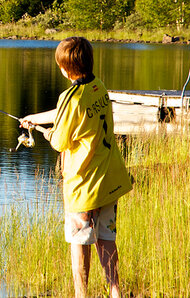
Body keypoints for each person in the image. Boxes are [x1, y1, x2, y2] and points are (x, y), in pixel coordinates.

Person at [21, 36, 132, 298]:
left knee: (79, 244)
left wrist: (44, 132)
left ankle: (82, 296)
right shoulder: (98, 86)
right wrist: (33, 119)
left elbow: (60, 142)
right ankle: (116, 292)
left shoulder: (70, 97)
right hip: (108, 179)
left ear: (64, 68)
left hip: (83, 185)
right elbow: (68, 112)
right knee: (106, 239)